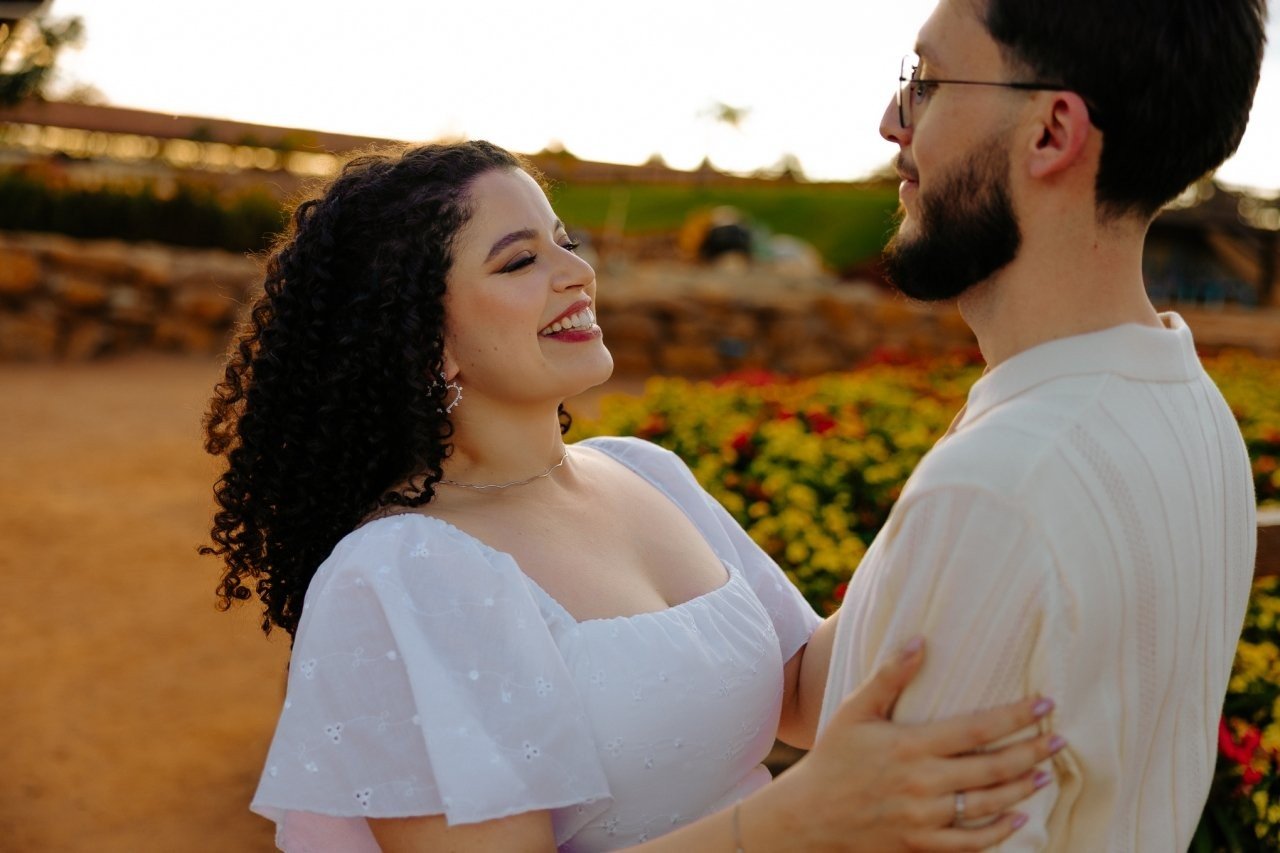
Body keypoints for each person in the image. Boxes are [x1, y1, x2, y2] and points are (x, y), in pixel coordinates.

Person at [202, 140, 1063, 852]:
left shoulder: (645, 472)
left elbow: (804, 688)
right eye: (520, 260)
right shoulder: (401, 571)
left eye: (564, 240)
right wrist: (803, 818)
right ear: (426, 340)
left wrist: (969, 452)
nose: (576, 271)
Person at [819, 0, 1266, 849]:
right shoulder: (1193, 410)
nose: (892, 123)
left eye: (928, 81)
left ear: (1052, 131)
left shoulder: (997, 488)